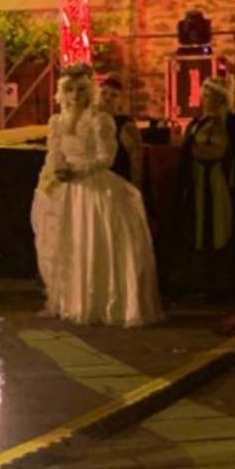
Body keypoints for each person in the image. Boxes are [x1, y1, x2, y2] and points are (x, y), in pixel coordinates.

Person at [32, 64, 162, 326]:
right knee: (68, 245)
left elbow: (106, 158)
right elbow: (54, 153)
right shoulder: (57, 122)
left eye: (81, 89)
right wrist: (55, 171)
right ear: (62, 93)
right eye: (69, 90)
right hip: (66, 191)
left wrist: (77, 171)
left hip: (93, 188)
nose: (75, 95)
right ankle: (69, 301)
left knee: (93, 243)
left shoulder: (100, 120)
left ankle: (97, 303)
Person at [170, 76, 235, 302]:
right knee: (197, 229)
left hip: (221, 183)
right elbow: (189, 152)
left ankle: (223, 284)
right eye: (203, 95)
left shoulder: (234, 124)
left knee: (221, 227)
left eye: (208, 95)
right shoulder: (197, 124)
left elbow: (232, 152)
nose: (204, 100)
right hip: (198, 182)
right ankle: (198, 282)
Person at [99, 76, 144, 187]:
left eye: (113, 95)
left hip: (118, 183)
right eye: (104, 93)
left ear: (120, 101)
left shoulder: (124, 124)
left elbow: (136, 159)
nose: (107, 98)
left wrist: (135, 188)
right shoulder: (93, 120)